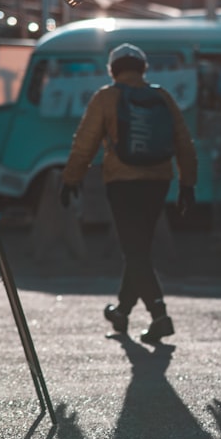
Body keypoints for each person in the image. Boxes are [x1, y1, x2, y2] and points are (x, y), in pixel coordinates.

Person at [60, 43, 198, 344]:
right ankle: (121, 311)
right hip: (158, 181)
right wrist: (187, 184)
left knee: (135, 251)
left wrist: (71, 178)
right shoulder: (162, 96)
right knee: (139, 249)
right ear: (143, 69)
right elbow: (184, 143)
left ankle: (160, 317)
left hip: (122, 182)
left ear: (113, 70)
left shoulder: (106, 97)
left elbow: (85, 143)